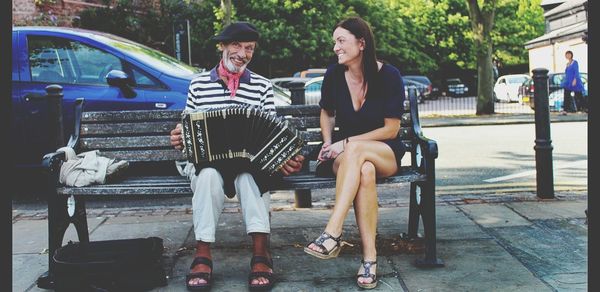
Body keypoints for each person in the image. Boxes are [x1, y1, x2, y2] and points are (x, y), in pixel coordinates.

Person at [169, 21, 304, 291]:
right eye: (236, 45)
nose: (242, 53)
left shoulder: (263, 87)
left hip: (249, 163)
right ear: (222, 46)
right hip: (209, 161)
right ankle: (203, 253)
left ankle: (260, 253)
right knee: (206, 176)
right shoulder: (198, 85)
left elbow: (271, 132)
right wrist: (180, 138)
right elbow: (188, 129)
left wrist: (286, 156)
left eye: (249, 48)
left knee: (248, 177)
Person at [303, 16, 406, 290]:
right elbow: (326, 111)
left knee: (360, 152)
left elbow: (391, 129)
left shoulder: (389, 76)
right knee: (365, 170)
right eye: (334, 42)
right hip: (345, 158)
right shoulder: (334, 74)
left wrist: (347, 141)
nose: (335, 47)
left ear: (361, 44)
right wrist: (328, 142)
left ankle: (333, 231)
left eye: (341, 41)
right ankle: (370, 260)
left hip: (384, 150)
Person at [560, 50, 585, 114]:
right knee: (566, 95)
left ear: (571, 55)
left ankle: (582, 108)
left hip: (575, 81)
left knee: (579, 95)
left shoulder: (575, 62)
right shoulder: (567, 64)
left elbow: (576, 72)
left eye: (569, 54)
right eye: (566, 55)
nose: (568, 56)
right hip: (568, 82)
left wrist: (575, 80)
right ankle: (565, 110)